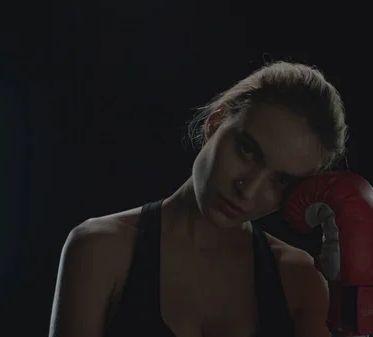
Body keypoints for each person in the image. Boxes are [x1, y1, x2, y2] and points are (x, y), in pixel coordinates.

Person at [49, 61, 348, 337]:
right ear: (215, 122)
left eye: (280, 181)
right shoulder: (101, 249)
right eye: (246, 150)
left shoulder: (298, 278)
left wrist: (354, 297)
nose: (248, 189)